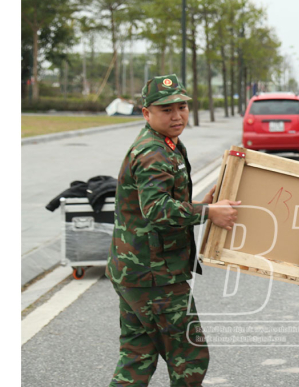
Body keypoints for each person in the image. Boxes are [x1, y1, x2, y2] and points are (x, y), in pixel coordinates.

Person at [106, 74, 239, 387]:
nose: (177, 115)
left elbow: (159, 202)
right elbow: (157, 211)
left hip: (136, 272)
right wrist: (208, 213)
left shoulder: (165, 145)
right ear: (146, 113)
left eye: (181, 106)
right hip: (154, 276)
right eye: (166, 109)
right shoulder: (153, 153)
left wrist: (201, 204)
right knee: (189, 357)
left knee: (137, 358)